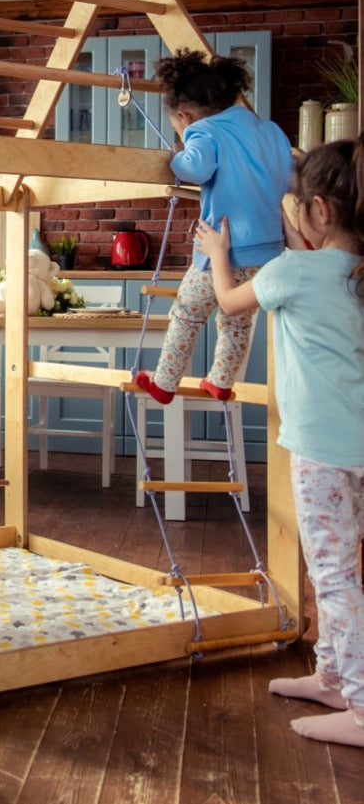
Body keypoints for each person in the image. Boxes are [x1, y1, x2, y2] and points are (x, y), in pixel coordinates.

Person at [193, 134, 364, 748]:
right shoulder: (349, 271)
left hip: (322, 452)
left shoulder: (293, 271)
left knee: (336, 577)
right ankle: (335, 677)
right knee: (343, 570)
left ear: (318, 211)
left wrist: (217, 251)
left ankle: (362, 707)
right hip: (356, 446)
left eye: (296, 205)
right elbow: (306, 268)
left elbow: (228, 302)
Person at [134, 49, 293, 405]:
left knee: (187, 313)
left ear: (184, 115)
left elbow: (196, 169)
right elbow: (287, 173)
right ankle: (222, 380)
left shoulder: (203, 130)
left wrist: (177, 155)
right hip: (268, 250)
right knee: (236, 319)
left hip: (224, 247)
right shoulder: (268, 130)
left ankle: (164, 382)